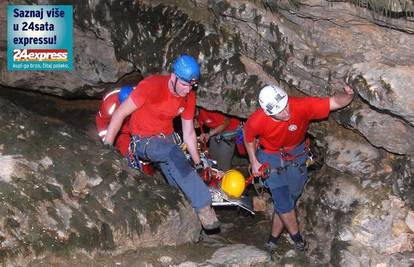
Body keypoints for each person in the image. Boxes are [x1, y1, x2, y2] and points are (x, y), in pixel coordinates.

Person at [103, 54, 220, 230]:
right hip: (144, 141)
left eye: (192, 85)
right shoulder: (151, 86)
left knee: (180, 178)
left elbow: (188, 132)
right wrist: (106, 147)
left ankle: (188, 217)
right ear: (173, 77)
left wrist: (197, 163)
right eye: (184, 84)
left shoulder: (188, 96)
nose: (187, 90)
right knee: (173, 153)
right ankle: (204, 207)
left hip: (168, 142)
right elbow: (120, 114)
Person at [243, 84, 354, 252]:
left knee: (290, 198)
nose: (286, 111)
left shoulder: (299, 106)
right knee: (282, 200)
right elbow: (248, 138)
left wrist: (348, 94)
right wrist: (254, 160)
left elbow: (334, 103)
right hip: (270, 156)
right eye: (280, 111)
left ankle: (273, 239)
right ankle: (298, 240)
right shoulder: (257, 120)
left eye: (286, 105)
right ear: (269, 112)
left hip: (296, 154)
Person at [96, 86, 134, 156]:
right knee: (127, 151)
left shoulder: (140, 97)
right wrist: (106, 140)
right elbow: (102, 122)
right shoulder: (109, 104)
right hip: (120, 131)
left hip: (135, 127)